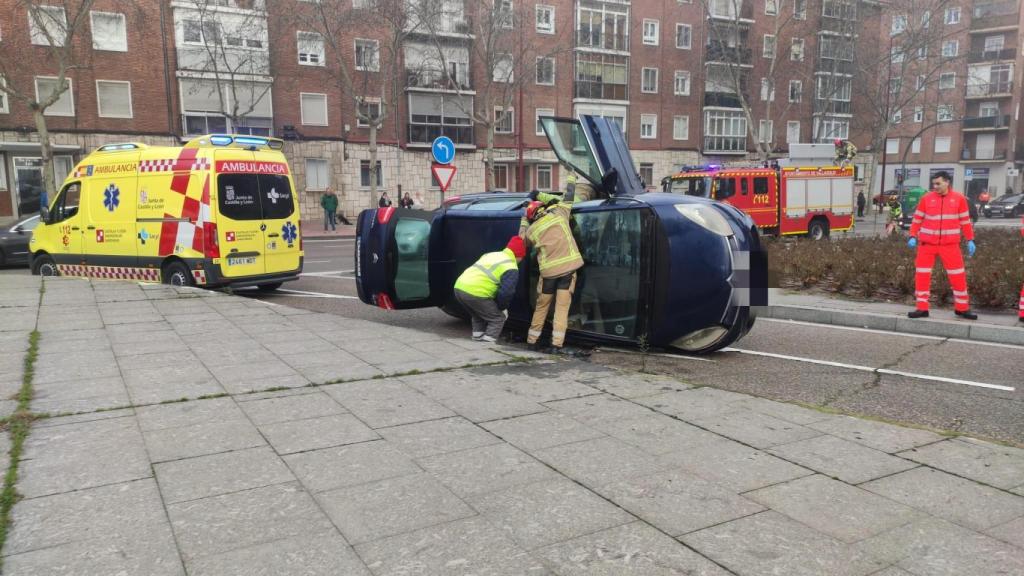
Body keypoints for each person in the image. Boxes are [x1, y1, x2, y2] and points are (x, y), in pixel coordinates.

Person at [520, 183, 585, 355]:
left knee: (542, 307)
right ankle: (556, 345)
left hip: (548, 275)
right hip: (567, 272)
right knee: (561, 309)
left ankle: (532, 341)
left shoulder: (532, 230)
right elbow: (568, 195)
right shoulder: (559, 213)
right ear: (543, 209)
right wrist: (571, 177)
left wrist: (524, 221)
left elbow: (521, 243)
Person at [907, 171, 977, 320]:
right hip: (927, 245)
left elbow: (965, 221)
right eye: (933, 183)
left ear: (947, 182)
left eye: (938, 183)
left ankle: (962, 308)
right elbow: (917, 219)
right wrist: (912, 235)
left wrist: (970, 239)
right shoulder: (926, 198)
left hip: (950, 245)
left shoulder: (959, 199)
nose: (935, 186)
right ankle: (922, 308)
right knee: (922, 276)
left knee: (958, 276)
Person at [453, 236, 526, 343]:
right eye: (522, 257)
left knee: (478, 315)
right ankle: (486, 346)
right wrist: (502, 308)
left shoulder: (492, 254)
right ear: (519, 255)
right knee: (497, 318)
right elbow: (506, 293)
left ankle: (477, 339)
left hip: (459, 287)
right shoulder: (511, 266)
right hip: (476, 292)